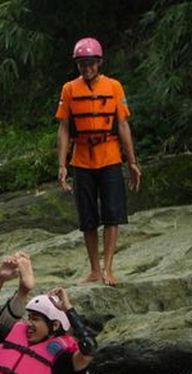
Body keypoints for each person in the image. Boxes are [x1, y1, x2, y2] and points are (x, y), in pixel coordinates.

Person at [55, 37, 141, 286]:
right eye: (82, 64)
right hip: (82, 160)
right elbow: (64, 128)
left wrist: (132, 162)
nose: (87, 68)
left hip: (110, 156)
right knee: (88, 216)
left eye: (91, 63)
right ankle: (94, 269)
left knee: (113, 214)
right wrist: (62, 165)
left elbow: (123, 125)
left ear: (99, 63)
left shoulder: (114, 87)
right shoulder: (69, 89)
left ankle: (109, 268)